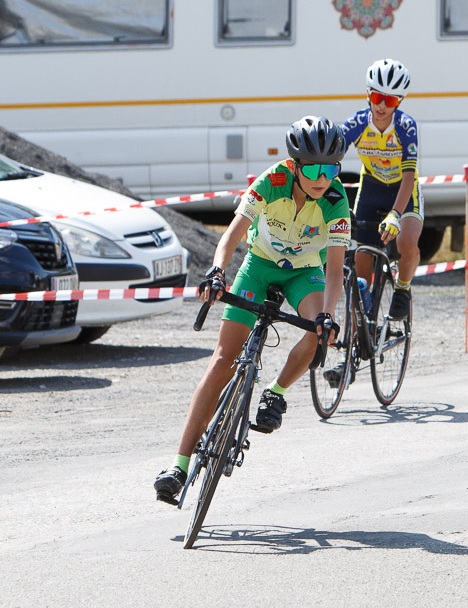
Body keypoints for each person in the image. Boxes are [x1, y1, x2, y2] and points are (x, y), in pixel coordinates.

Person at [154, 116, 353, 504]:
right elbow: (232, 234)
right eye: (313, 168)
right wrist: (216, 272)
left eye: (331, 169)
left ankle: (276, 392)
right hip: (259, 266)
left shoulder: (335, 200)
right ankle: (178, 465)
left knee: (320, 330)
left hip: (304, 273)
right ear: (294, 166)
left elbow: (333, 268)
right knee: (223, 360)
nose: (322, 178)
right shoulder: (271, 181)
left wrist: (328, 312)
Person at [342, 58, 422, 320]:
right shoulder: (356, 124)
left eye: (390, 100)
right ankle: (360, 332)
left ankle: (402, 288)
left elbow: (409, 174)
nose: (381, 105)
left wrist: (395, 215)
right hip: (372, 189)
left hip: (403, 190)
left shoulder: (405, 126)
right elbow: (330, 157)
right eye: (377, 97)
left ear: (399, 102)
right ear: (368, 94)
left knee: (406, 241)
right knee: (361, 266)